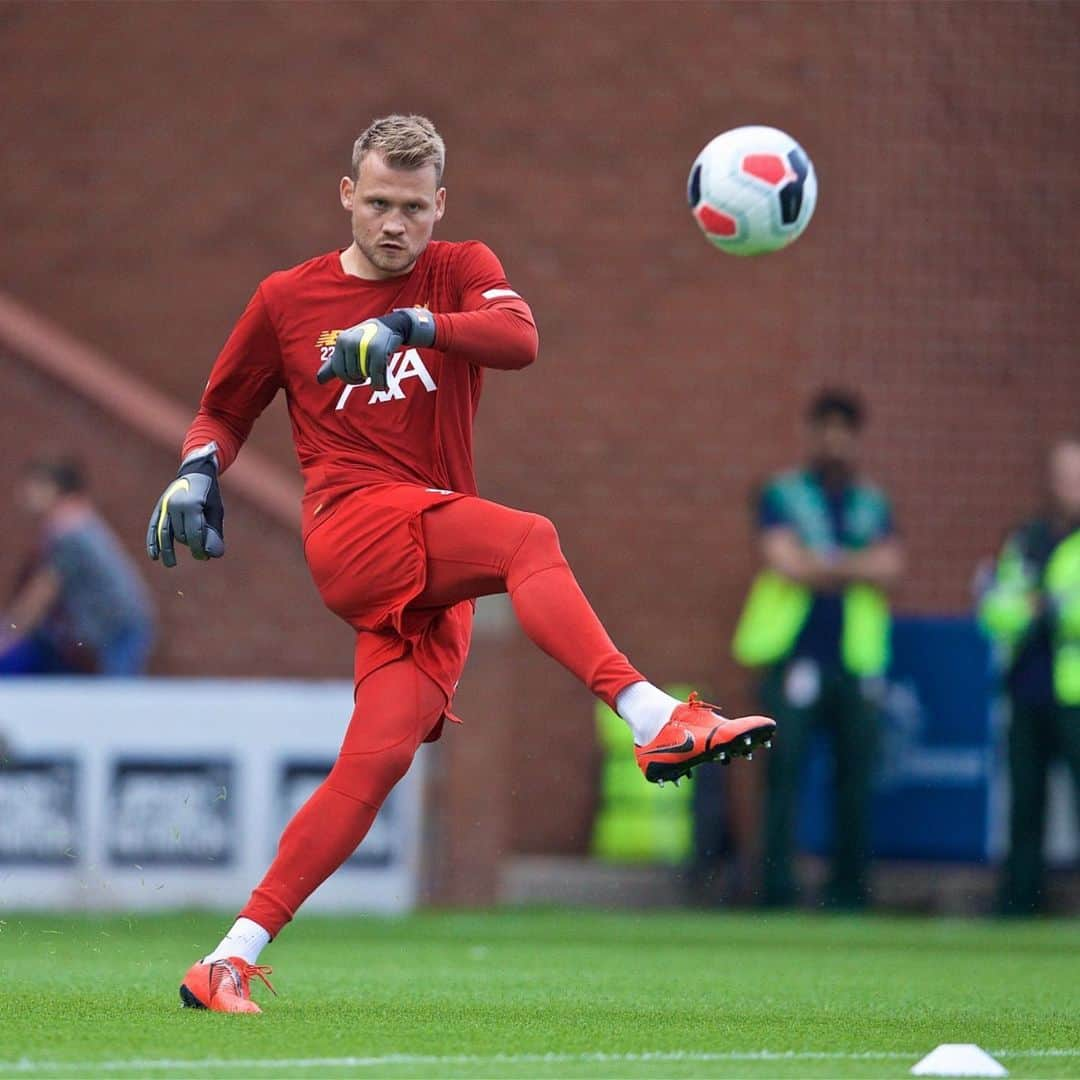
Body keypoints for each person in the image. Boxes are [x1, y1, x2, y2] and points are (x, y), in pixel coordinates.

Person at [146, 115, 775, 1013]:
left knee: (373, 766)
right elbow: (223, 410)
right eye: (377, 204)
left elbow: (519, 341)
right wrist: (195, 473)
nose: (393, 224)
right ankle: (653, 716)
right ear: (346, 197)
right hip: (352, 527)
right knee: (528, 539)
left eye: (412, 207)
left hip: (428, 555)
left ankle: (226, 960)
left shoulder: (460, 269)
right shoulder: (287, 298)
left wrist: (410, 326)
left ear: (439, 206)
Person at [731, 389, 903, 908]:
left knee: (854, 781)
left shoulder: (872, 502)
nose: (834, 440)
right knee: (782, 777)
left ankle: (849, 892)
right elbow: (785, 562)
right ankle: (775, 889)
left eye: (843, 429)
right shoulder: (784, 494)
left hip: (855, 661)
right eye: (825, 428)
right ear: (812, 433)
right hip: (793, 657)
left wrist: (821, 564)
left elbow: (891, 568)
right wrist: (853, 566)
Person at [979, 437, 1080, 915]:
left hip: (1076, 694)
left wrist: (1044, 608)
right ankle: (1020, 904)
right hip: (1028, 690)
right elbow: (996, 611)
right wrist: (1036, 608)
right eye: (1065, 474)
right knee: (1024, 805)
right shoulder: (1027, 539)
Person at [0, 456, 154, 676]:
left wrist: (9, 634)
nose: (26, 492)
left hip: (117, 625)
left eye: (35, 485)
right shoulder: (76, 519)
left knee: (117, 697)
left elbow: (43, 591)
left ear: (54, 488)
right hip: (120, 621)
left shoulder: (67, 528)